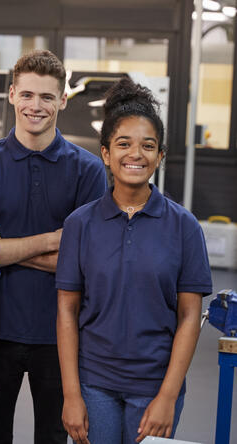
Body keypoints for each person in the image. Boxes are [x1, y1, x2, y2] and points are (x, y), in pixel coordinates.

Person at [56, 77, 212, 444]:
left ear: (160, 156)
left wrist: (168, 396)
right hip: (94, 384)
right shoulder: (80, 224)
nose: (135, 154)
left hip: (155, 385)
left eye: (148, 146)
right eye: (123, 144)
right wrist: (72, 394)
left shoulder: (184, 226)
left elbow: (190, 316)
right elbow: (66, 311)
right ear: (106, 154)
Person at [0, 50, 107, 443]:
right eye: (27, 95)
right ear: (11, 95)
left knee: (53, 437)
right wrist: (55, 240)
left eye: (46, 97)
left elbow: (86, 263)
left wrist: (9, 249)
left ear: (62, 100)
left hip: (60, 333)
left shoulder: (89, 170)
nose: (35, 106)